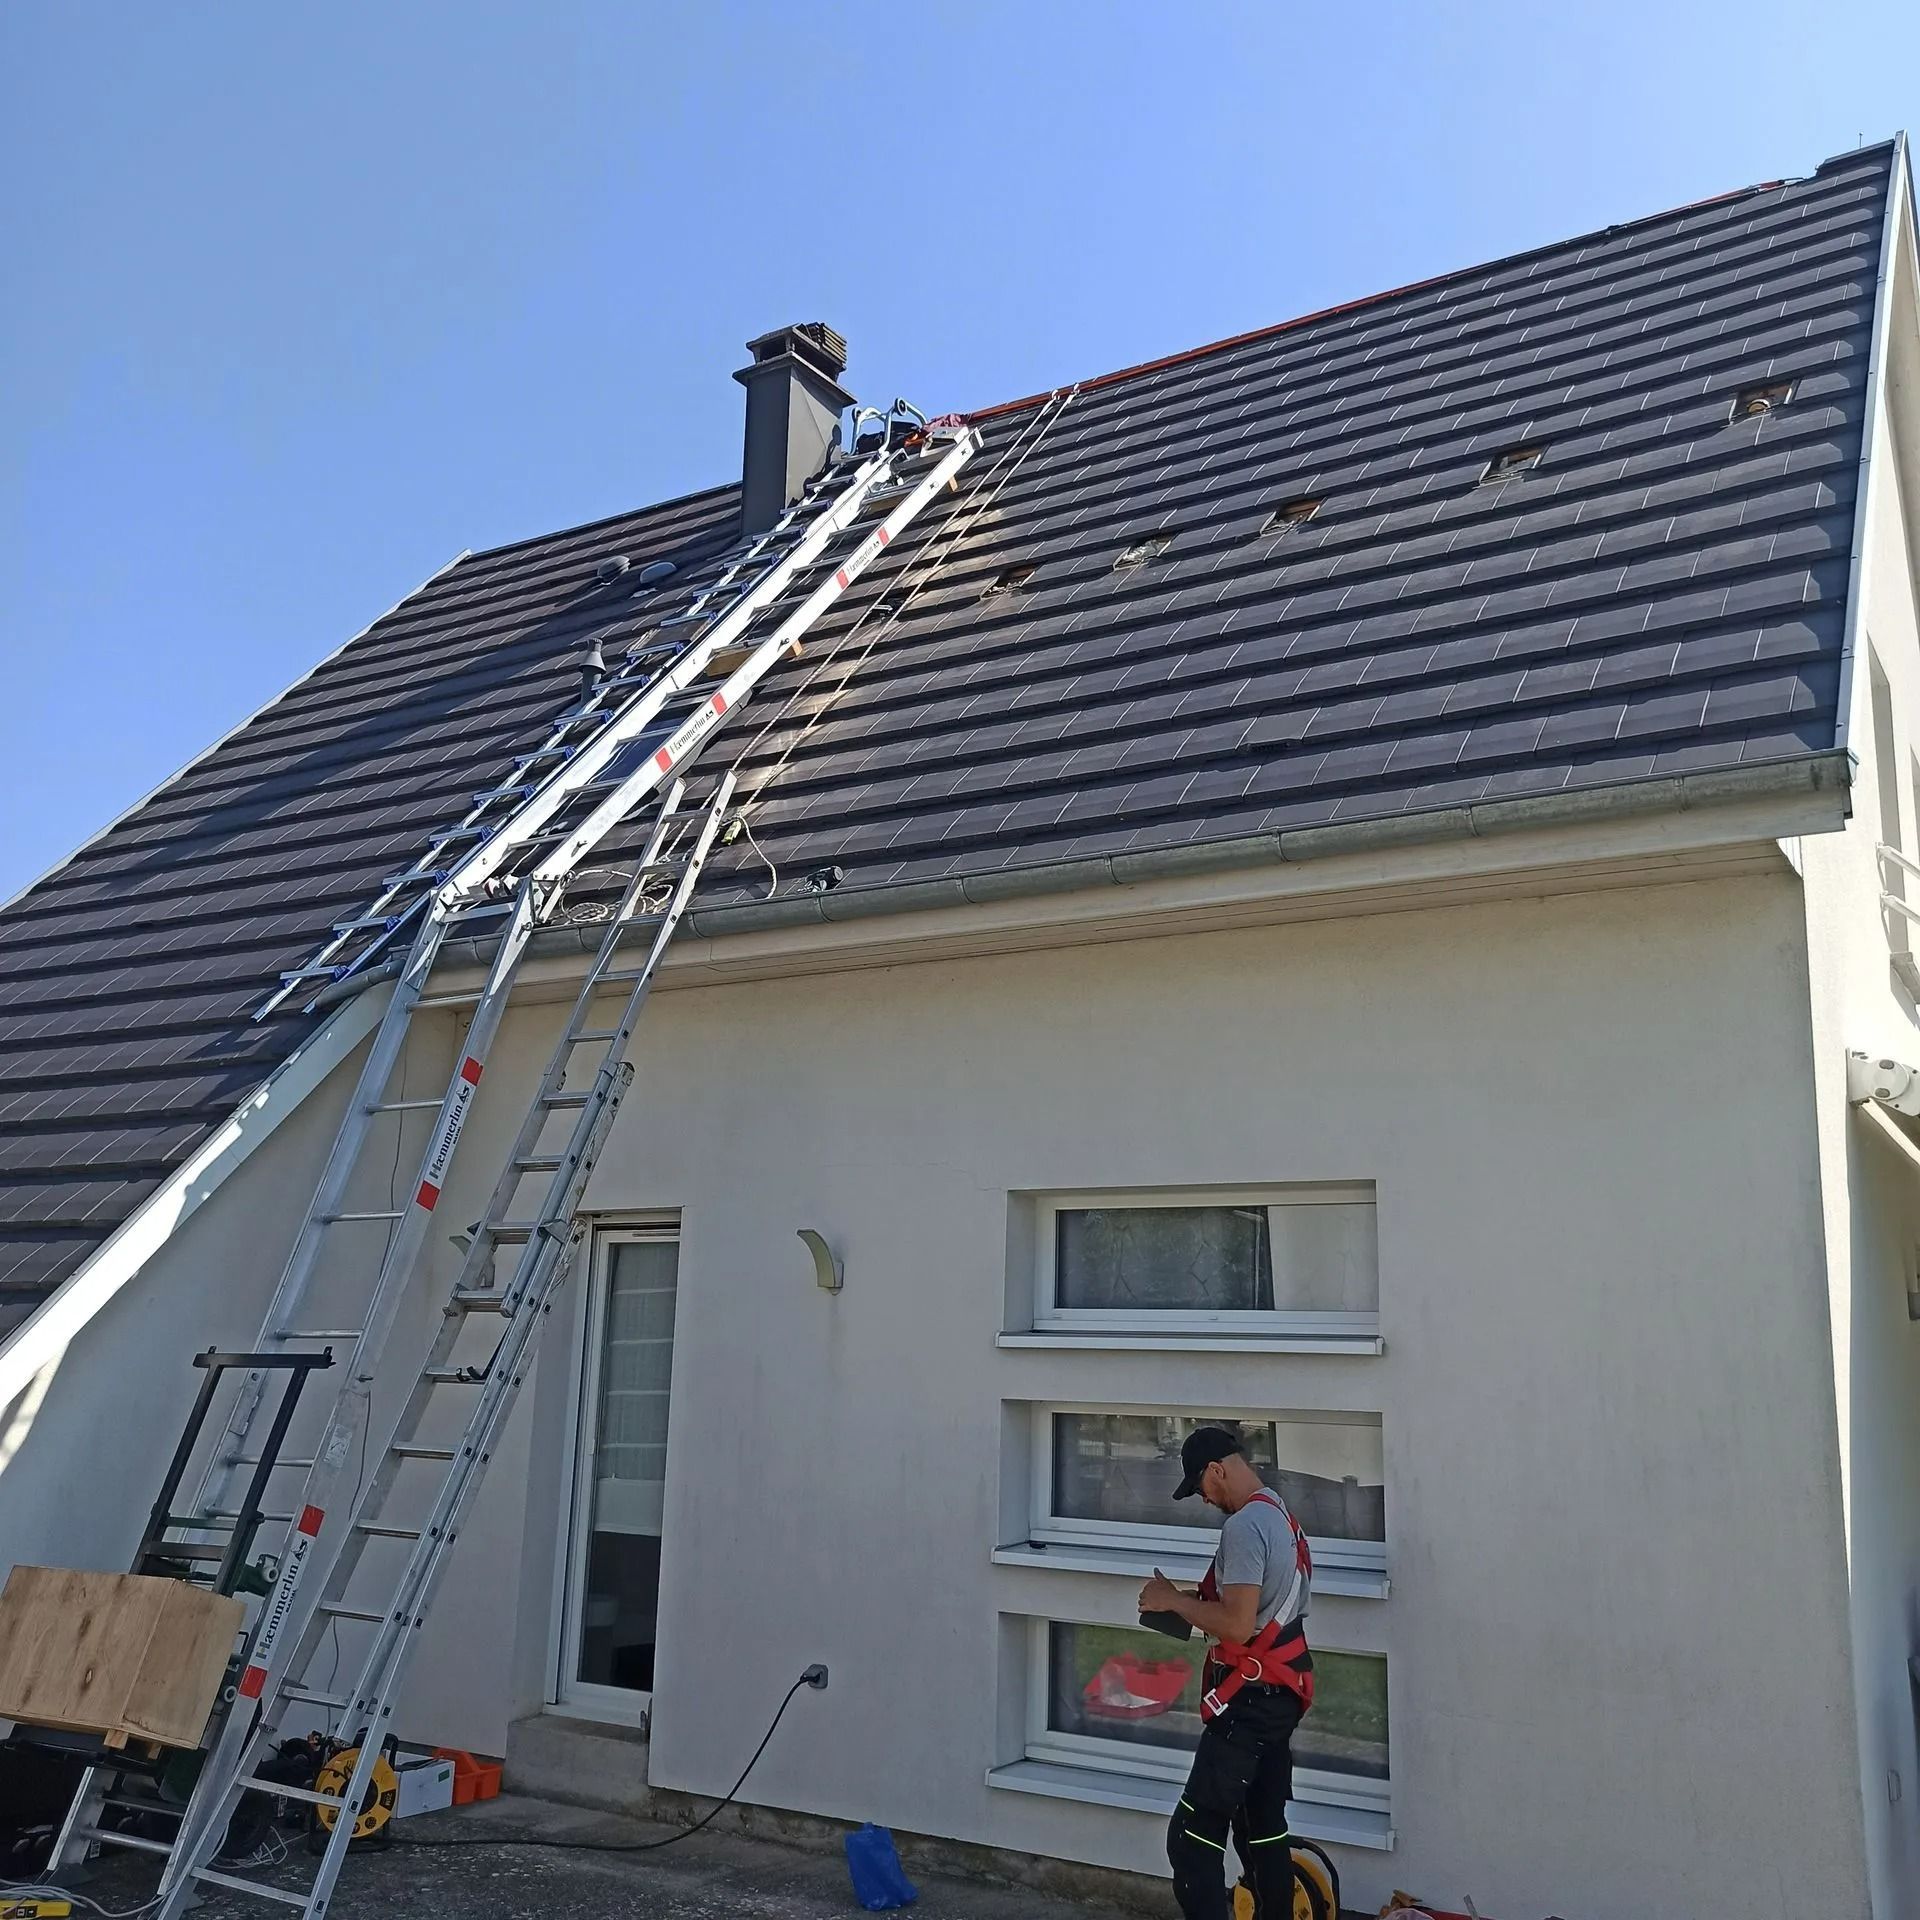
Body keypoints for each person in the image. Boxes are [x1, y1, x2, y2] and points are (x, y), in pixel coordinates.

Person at [1138, 1426, 1313, 1920]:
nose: (1203, 1499)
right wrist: (1187, 1607)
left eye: (1200, 1487)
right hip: (1281, 1696)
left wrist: (1170, 1601)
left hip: (1249, 1706)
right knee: (1263, 1827)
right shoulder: (1280, 1513)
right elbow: (1257, 1618)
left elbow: (1236, 1625)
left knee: (1192, 1837)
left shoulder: (1243, 1527)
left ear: (1217, 1469)